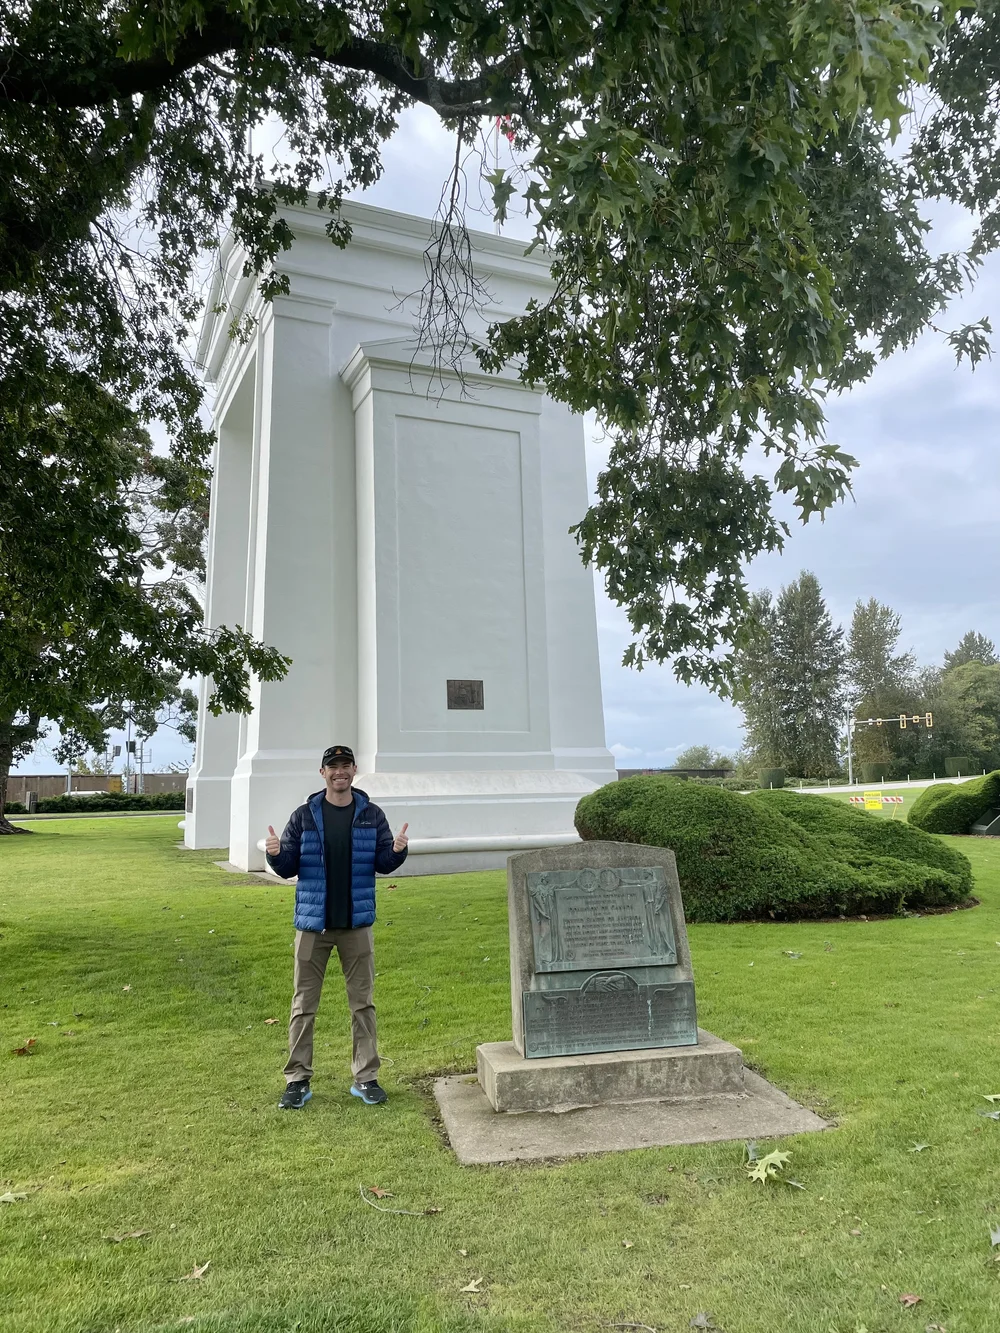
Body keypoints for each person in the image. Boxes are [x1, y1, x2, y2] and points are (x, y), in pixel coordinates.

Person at [264, 744, 409, 1110]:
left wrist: (398, 849)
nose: (339, 772)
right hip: (313, 927)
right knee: (303, 1006)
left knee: (363, 1006)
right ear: (323, 773)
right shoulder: (304, 816)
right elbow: (288, 868)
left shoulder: (371, 814)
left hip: (356, 926)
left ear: (354, 771)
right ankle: (297, 1080)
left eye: (345, 766)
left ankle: (366, 1078)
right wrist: (276, 854)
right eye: (333, 767)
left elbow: (384, 863)